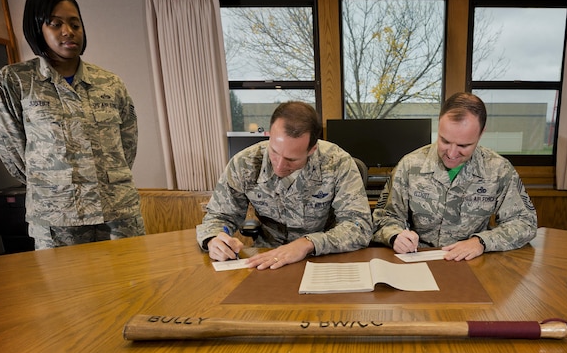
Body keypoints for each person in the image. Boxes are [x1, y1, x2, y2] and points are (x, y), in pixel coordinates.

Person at [0, 0, 144, 250]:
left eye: (75, 23)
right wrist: (53, 183)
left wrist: (104, 179)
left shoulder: (110, 83)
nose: (68, 31)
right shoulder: (14, 82)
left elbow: (127, 145)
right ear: (38, 28)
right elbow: (12, 151)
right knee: (66, 290)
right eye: (55, 24)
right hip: (58, 217)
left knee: (132, 287)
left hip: (118, 212)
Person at [197, 101, 373, 269]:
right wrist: (214, 239)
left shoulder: (337, 163)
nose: (279, 166)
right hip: (267, 256)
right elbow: (220, 216)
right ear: (270, 135)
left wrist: (308, 243)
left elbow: (359, 226)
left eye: (291, 159)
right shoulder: (245, 164)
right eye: (274, 151)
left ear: (312, 149)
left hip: (323, 257)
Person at [372, 92, 537, 259]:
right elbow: (384, 217)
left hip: (473, 261)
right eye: (444, 141)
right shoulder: (410, 166)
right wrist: (395, 235)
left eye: (463, 145)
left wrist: (481, 242)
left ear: (481, 133)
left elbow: (525, 223)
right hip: (419, 258)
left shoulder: (498, 169)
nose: (451, 153)